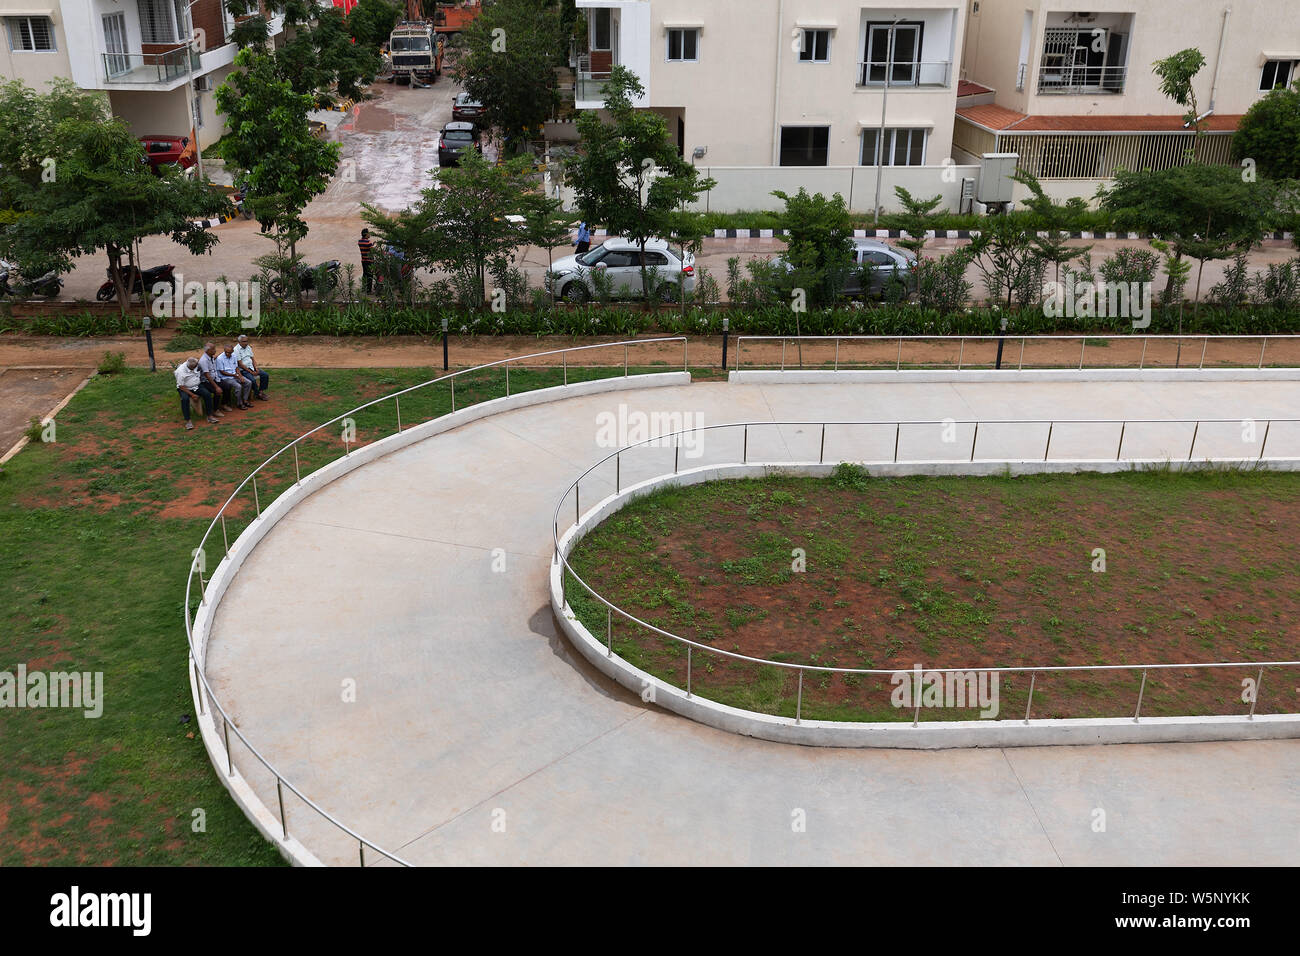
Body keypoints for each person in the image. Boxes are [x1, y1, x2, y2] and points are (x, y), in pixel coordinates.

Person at [174, 356, 220, 429]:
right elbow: (181, 386)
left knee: (207, 394)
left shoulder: (196, 364)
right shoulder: (180, 371)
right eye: (192, 368)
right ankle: (188, 421)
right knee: (185, 399)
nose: (194, 368)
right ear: (188, 366)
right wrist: (192, 395)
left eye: (195, 367)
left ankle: (210, 416)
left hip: (197, 386)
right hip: (185, 388)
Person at [197, 342, 233, 412]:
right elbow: (207, 375)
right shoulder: (203, 360)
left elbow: (214, 359)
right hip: (206, 382)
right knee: (217, 391)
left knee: (227, 386)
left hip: (215, 379)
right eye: (213, 349)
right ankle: (215, 410)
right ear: (207, 351)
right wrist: (216, 387)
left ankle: (224, 404)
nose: (215, 350)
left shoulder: (210, 357)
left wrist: (217, 356)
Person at [217, 343, 253, 409]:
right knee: (238, 386)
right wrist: (234, 375)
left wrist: (240, 376)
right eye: (226, 352)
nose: (227, 354)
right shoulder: (220, 358)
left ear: (232, 351)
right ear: (224, 351)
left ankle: (245, 400)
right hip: (226, 377)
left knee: (248, 382)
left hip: (235, 375)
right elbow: (222, 372)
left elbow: (236, 367)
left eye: (229, 352)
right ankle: (239, 403)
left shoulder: (234, 355)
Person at [233, 333, 268, 400]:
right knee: (252, 380)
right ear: (239, 342)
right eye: (244, 341)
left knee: (265, 375)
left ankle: (260, 391)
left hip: (251, 367)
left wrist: (256, 368)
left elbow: (252, 359)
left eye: (247, 341)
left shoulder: (248, 347)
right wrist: (251, 372)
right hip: (244, 370)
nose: (246, 343)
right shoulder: (236, 350)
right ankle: (257, 393)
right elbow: (240, 364)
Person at [359, 228, 375, 294]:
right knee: (370, 275)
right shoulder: (368, 242)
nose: (369, 234)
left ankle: (363, 288)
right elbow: (373, 251)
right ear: (366, 234)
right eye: (368, 233)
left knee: (365, 274)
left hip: (363, 260)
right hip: (369, 261)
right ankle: (369, 291)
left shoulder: (359, 241)